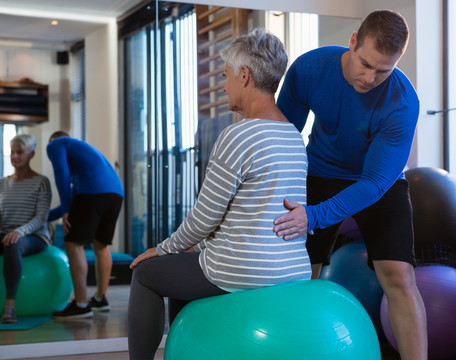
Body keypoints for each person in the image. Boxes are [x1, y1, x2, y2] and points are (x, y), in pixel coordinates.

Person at [127, 28, 311, 359]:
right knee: (186, 265)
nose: (224, 86)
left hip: (243, 270)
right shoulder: (294, 137)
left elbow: (203, 218)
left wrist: (163, 248)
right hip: (291, 268)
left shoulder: (238, 135)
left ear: (245, 75)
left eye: (226, 76)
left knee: (145, 275)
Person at [272, 9, 428, 360]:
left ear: (397, 62)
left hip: (379, 182)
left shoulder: (403, 102)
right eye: (366, 64)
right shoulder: (310, 69)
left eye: (383, 70)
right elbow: (284, 136)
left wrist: (314, 217)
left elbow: (374, 183)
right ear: (353, 41)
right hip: (321, 172)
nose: (370, 77)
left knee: (399, 277)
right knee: (302, 274)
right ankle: (298, 351)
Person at [47, 131, 124, 319]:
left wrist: (66, 210)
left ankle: (81, 304)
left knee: (73, 243)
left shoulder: (56, 144)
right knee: (100, 245)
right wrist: (45, 217)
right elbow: (74, 199)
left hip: (94, 192)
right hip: (116, 193)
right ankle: (99, 299)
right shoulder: (86, 161)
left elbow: (61, 174)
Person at [0, 134, 52, 323]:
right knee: (10, 240)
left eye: (20, 152)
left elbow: (41, 218)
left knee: (13, 244)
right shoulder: (2, 183)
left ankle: (10, 306)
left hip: (34, 236)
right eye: (12, 152)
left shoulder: (41, 182)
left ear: (31, 154)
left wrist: (19, 232)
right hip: (6, 233)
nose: (15, 156)